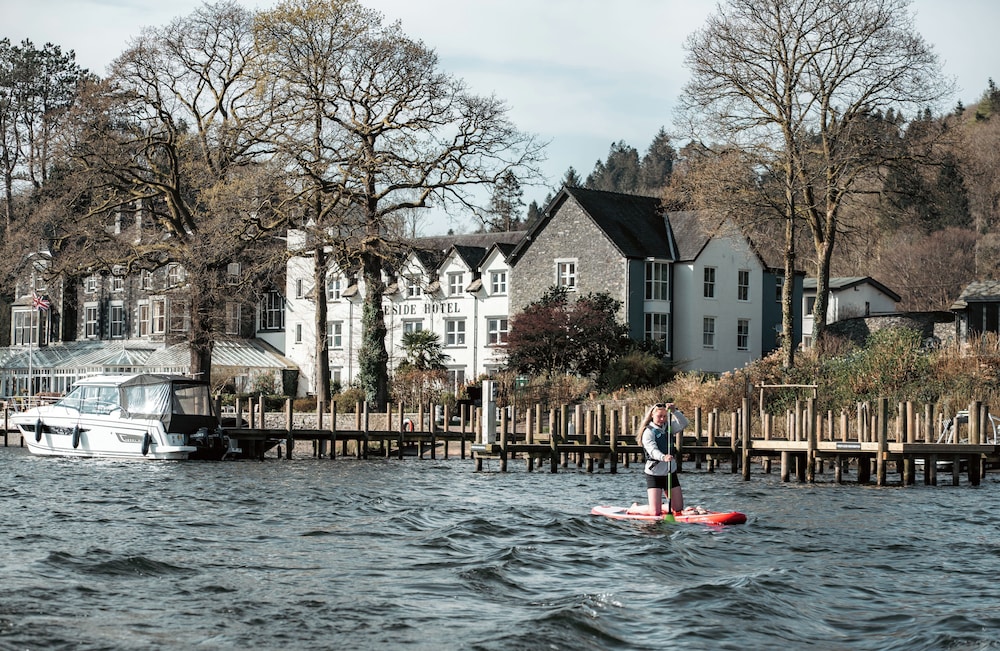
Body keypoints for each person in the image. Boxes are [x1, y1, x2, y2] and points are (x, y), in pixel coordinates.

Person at [628, 402, 690, 516]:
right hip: (654, 474)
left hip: (669, 472)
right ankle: (635, 509)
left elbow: (684, 424)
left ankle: (661, 506)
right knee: (655, 512)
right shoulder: (648, 432)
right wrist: (663, 457)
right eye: (659, 416)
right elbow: (652, 451)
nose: (662, 419)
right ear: (652, 415)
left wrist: (675, 411)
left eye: (664, 416)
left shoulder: (669, 428)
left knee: (678, 509)